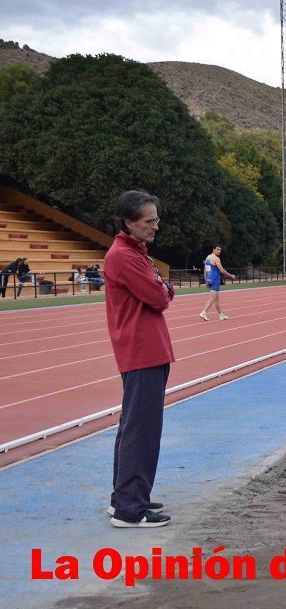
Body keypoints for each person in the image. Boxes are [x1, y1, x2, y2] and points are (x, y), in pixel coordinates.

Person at [103, 190, 175, 528]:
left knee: (134, 426)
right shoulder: (125, 256)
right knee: (141, 429)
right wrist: (164, 287)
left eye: (157, 219)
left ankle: (126, 497)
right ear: (129, 223)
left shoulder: (134, 252)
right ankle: (130, 510)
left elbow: (159, 289)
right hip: (142, 349)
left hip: (147, 349)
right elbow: (158, 296)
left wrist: (162, 287)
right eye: (149, 221)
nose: (155, 226)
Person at [199, 245, 236, 321]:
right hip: (215, 280)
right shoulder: (216, 259)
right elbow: (222, 270)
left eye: (220, 250)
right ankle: (203, 312)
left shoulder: (207, 258)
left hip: (209, 280)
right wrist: (231, 276)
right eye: (217, 249)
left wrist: (206, 281)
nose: (219, 251)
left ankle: (221, 315)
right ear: (213, 249)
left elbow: (205, 270)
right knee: (213, 299)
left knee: (216, 299)